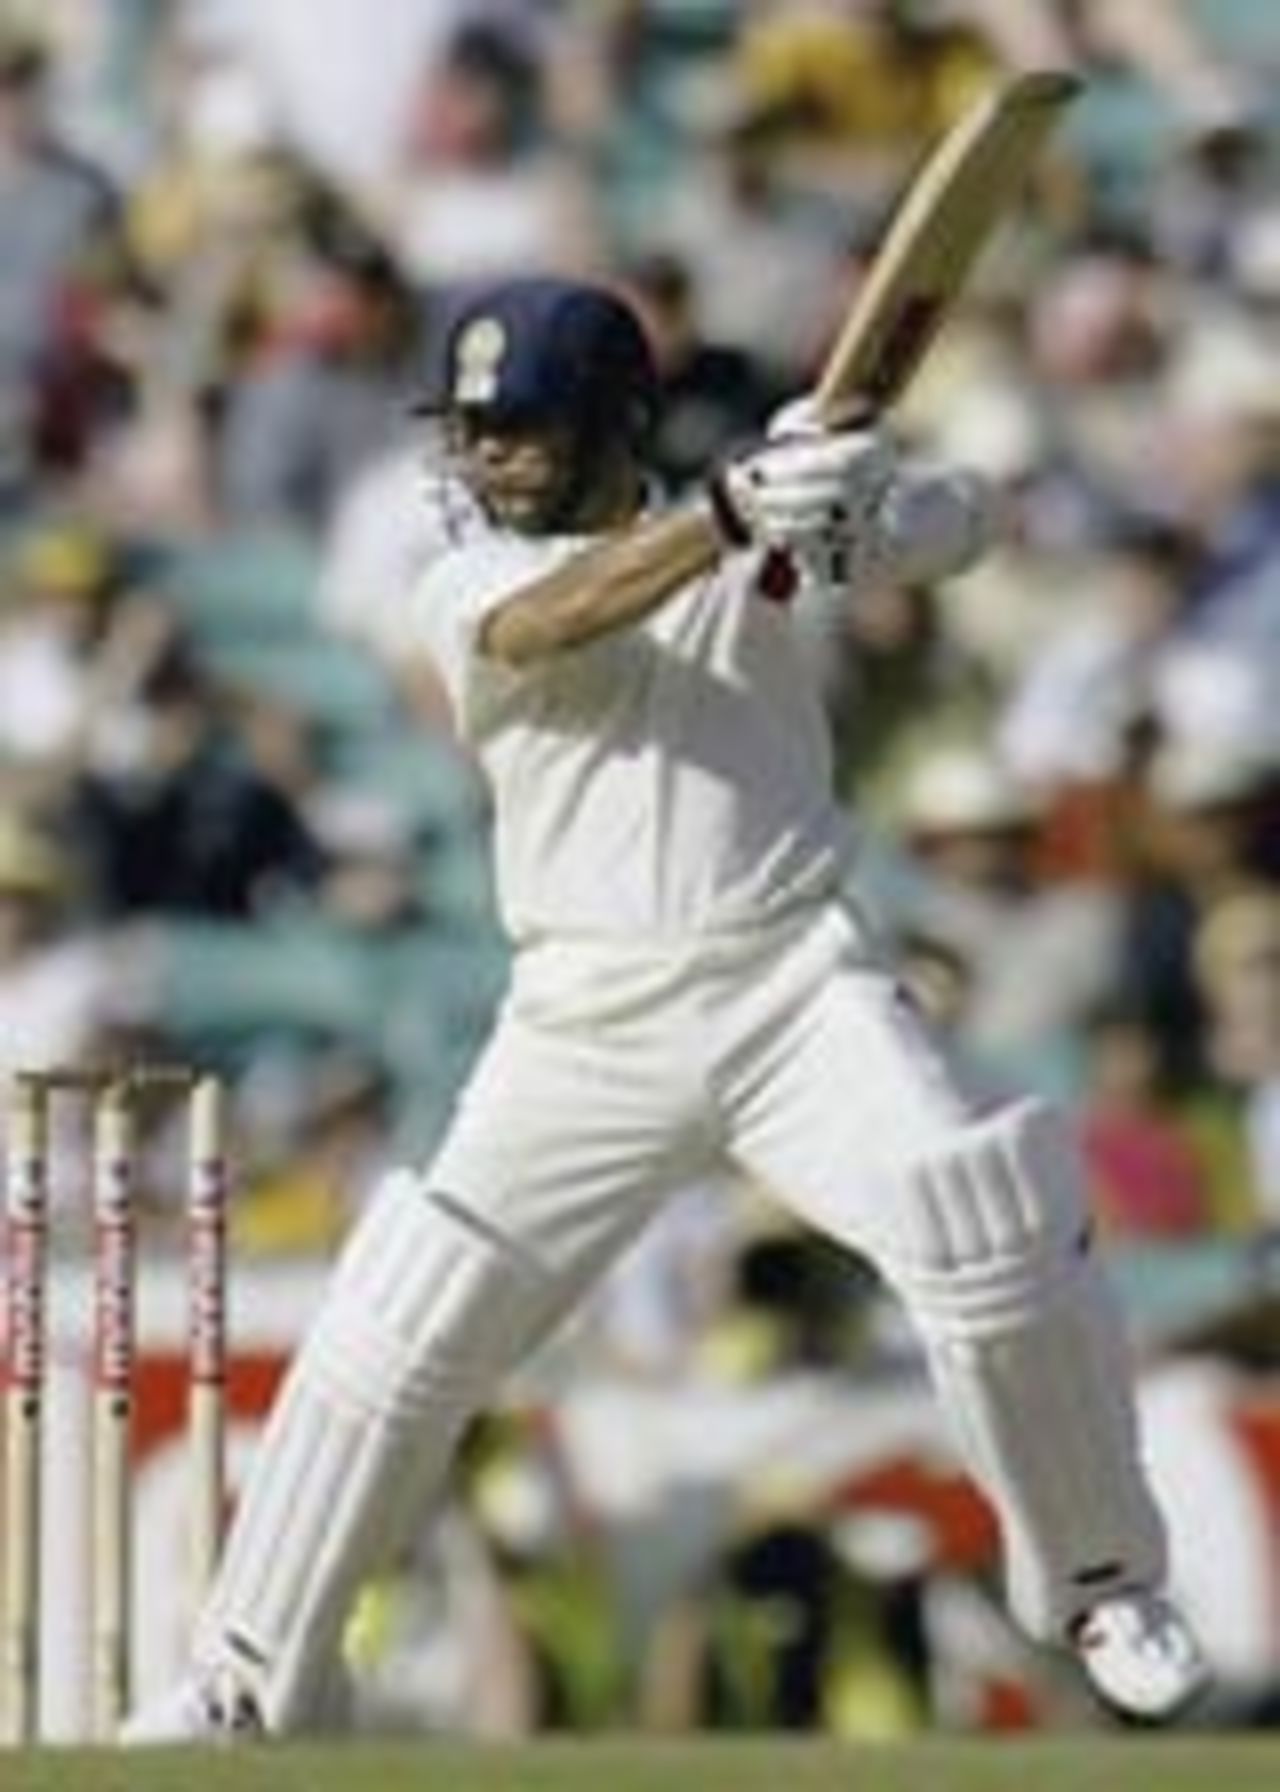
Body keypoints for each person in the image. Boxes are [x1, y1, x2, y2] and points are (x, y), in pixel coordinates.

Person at [123, 275, 1207, 1742]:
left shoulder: (750, 533)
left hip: (789, 983)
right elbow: (558, 617)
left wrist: (867, 507)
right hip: (583, 1018)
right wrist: (731, 516)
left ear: (613, 422)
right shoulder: (469, 581)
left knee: (984, 1216)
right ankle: (250, 1677)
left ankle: (1098, 1582)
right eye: (475, 434)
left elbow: (974, 527)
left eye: (522, 433)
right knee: (401, 1311)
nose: (491, 463)